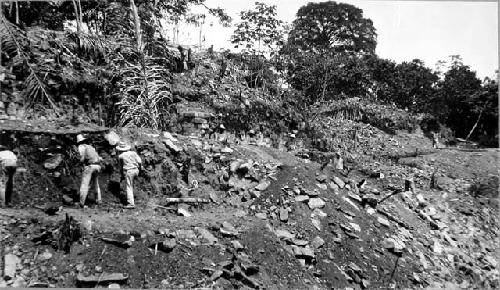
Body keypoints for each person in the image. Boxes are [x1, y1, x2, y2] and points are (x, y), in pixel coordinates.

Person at [76, 134, 102, 208]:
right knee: (96, 184)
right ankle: (99, 200)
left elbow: (82, 158)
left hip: (90, 166)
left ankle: (82, 203)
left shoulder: (81, 147)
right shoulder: (90, 146)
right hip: (98, 166)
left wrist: (80, 163)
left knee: (84, 185)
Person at [116, 141, 142, 209]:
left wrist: (122, 175)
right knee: (132, 184)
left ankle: (131, 204)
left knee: (129, 186)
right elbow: (139, 161)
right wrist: (140, 168)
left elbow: (121, 167)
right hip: (136, 170)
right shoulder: (134, 153)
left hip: (129, 171)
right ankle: (135, 197)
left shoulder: (120, 156)